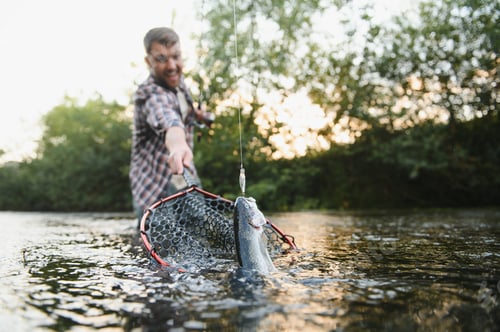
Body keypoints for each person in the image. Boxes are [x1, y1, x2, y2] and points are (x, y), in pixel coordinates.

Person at [129, 27, 213, 221]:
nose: (172, 65)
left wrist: (200, 115)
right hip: (153, 191)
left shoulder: (178, 82)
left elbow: (182, 109)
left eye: (176, 56)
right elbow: (168, 118)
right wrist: (178, 145)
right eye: (161, 58)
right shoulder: (149, 93)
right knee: (152, 249)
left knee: (199, 235)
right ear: (148, 61)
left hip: (185, 179)